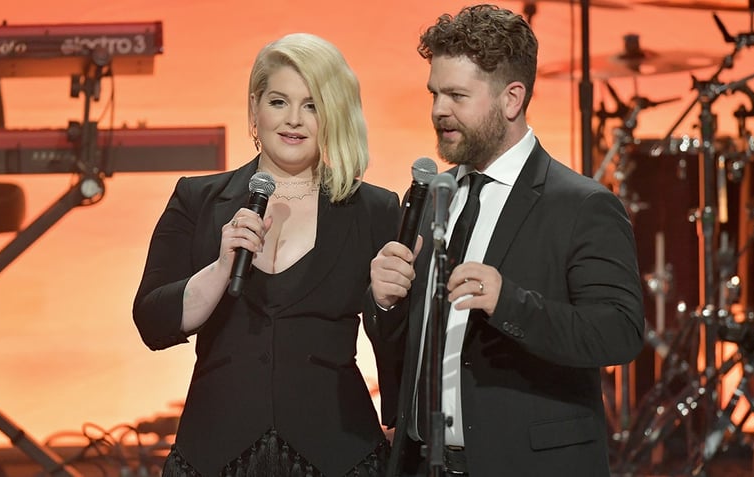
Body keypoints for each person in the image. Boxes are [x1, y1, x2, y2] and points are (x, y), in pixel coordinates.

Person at [366, 4, 645, 476]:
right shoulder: (430, 196)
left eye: (456, 95)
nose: (438, 110)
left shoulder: (581, 205)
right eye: (434, 93)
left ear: (512, 99)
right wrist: (385, 304)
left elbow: (619, 333)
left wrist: (510, 303)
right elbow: (409, 346)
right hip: (421, 464)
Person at [133, 33, 402, 477]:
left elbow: (401, 345)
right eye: (279, 101)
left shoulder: (373, 209)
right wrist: (220, 269)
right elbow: (152, 322)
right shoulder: (197, 199)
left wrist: (386, 303)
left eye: (312, 105)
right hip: (214, 454)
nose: (294, 119)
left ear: (332, 115)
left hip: (339, 454)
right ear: (255, 109)